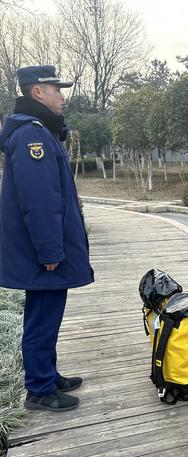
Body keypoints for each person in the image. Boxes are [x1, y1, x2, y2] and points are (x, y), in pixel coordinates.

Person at [0, 65, 94, 412]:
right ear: (36, 91)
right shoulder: (32, 137)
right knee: (42, 317)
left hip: (41, 251)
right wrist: (50, 251)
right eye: (56, 89)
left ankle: (47, 374)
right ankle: (39, 388)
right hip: (42, 253)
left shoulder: (38, 131)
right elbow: (39, 203)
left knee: (46, 315)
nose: (61, 95)